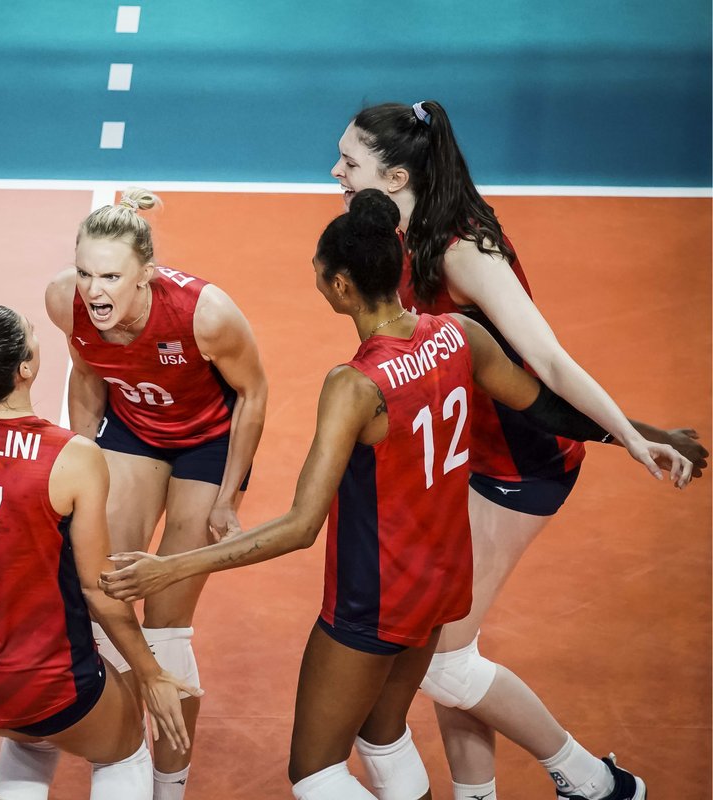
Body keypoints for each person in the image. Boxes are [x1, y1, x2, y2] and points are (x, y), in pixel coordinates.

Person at [99, 190, 692, 800]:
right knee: (382, 736)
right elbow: (546, 407)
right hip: (444, 581)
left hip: (375, 599)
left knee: (315, 773)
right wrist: (641, 437)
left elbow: (301, 526)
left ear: (340, 286)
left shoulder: (354, 385)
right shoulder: (460, 335)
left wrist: (170, 567)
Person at [327, 101, 708, 800]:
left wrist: (633, 436)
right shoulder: (397, 234)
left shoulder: (462, 251)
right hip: (458, 454)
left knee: (444, 663)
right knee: (448, 650)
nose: (336, 172)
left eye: (350, 163)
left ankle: (594, 783)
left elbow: (547, 361)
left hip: (517, 466)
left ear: (397, 173)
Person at [0, 304, 197, 800]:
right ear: (25, 368)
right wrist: (151, 674)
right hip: (48, 683)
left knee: (31, 738)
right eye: (33, 335)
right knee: (123, 746)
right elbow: (96, 589)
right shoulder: (71, 456)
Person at [44, 187, 268, 798]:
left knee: (166, 625)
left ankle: (169, 784)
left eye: (112, 276)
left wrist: (226, 498)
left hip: (208, 443)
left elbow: (252, 392)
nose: (95, 291)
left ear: (146, 275)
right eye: (87, 272)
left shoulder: (206, 314)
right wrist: (77, 462)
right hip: (135, 432)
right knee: (109, 595)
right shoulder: (66, 302)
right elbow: (88, 375)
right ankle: (123, 759)